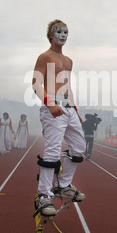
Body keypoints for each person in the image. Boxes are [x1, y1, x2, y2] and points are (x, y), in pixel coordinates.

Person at [32, 19, 86, 216]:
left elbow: (68, 88)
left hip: (69, 109)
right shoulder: (44, 56)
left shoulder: (69, 61)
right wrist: (49, 103)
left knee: (79, 148)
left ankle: (63, 186)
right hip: (52, 107)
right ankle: (43, 195)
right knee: (53, 152)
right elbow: (36, 83)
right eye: (59, 32)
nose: (63, 35)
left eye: (66, 32)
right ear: (50, 35)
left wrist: (76, 111)